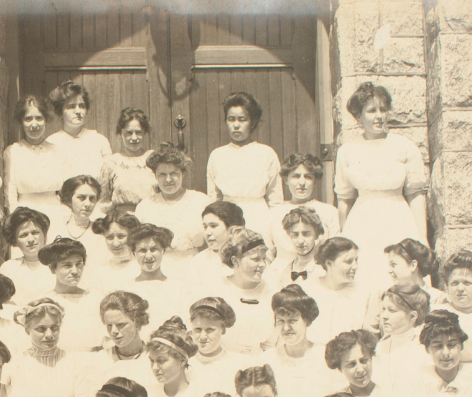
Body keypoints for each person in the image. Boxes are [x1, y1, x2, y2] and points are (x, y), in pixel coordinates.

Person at [335, 82, 428, 290]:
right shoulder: (348, 151)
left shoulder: (404, 146)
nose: (378, 116)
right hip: (362, 222)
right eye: (371, 110)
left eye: (383, 109)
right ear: (359, 117)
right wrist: (343, 237)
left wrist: (422, 237)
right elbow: (344, 198)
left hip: (398, 218)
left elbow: (415, 194)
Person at [206, 92, 284, 240]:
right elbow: (214, 197)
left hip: (259, 217)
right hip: (227, 219)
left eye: (242, 120)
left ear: (253, 122)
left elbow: (275, 199)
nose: (236, 125)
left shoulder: (266, 153)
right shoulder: (217, 155)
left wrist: (275, 230)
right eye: (231, 119)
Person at [135, 142, 211, 280]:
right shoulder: (145, 206)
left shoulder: (201, 201)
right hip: (157, 271)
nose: (168, 179)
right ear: (155, 176)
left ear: (183, 173)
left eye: (174, 173)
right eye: (162, 174)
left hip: (195, 268)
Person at [197, 226, 274, 355]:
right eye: (255, 259)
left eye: (263, 258)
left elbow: (271, 341)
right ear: (235, 260)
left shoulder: (270, 289)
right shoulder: (215, 288)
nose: (262, 264)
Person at [4, 95, 67, 231]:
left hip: (55, 214)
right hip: (24, 215)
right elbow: (10, 191)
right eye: (28, 119)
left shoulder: (58, 151)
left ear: (46, 120)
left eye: (39, 118)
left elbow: (66, 190)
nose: (34, 124)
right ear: (21, 121)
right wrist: (16, 219)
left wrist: (66, 216)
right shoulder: (13, 151)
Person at [0, 298, 87, 397]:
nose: (49, 334)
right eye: (41, 329)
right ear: (27, 330)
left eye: (54, 327)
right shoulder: (14, 366)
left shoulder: (75, 364)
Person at [259, 284, 335, 397]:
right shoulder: (267, 359)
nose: (286, 328)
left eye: (292, 321)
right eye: (280, 321)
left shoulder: (326, 356)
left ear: (307, 321)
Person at [267, 153, 339, 261]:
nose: (302, 182)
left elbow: (335, 251)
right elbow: (268, 252)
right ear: (286, 180)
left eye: (308, 177)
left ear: (315, 180)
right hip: (281, 272)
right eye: (296, 176)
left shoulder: (329, 212)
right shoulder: (274, 213)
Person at [303, 237, 373, 345]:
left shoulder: (362, 293)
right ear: (329, 263)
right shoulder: (306, 289)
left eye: (356, 260)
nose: (355, 266)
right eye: (348, 261)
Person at [38, 237, 103, 351]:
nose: (75, 271)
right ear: (53, 269)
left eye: (79, 264)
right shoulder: (45, 301)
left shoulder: (95, 297)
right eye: (67, 265)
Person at [86, 291, 155, 396]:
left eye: (121, 324)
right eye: (109, 325)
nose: (114, 331)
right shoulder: (100, 360)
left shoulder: (154, 358)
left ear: (138, 322)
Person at [127, 224, 186, 331]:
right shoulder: (127, 289)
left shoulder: (180, 288)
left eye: (154, 249)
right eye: (142, 250)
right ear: (133, 253)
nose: (149, 256)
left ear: (163, 250)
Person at [47, 80, 112, 179]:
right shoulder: (52, 143)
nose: (78, 111)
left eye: (82, 106)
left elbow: (108, 178)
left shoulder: (99, 140)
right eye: (71, 107)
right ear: (60, 112)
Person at [98, 108, 157, 215]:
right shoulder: (111, 164)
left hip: (151, 217)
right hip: (122, 220)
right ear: (120, 133)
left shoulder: (154, 159)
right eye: (128, 133)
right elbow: (103, 202)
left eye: (138, 132)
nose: (134, 138)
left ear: (144, 132)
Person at [374, 285, 431, 393]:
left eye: (392, 310)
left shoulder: (423, 349)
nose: (384, 316)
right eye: (383, 309)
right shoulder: (380, 347)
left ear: (412, 316)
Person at [187, 297, 247, 397]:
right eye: (197, 329)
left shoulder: (240, 364)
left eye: (210, 330)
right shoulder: (185, 365)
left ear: (222, 329)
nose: (202, 336)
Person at [0, 207, 54, 306]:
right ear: (15, 241)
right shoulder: (8, 268)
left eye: (35, 232)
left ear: (44, 234)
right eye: (23, 235)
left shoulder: (58, 265)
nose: (31, 239)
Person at [413, 310, 472, 397]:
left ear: (461, 346)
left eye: (451, 345)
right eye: (438, 346)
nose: (445, 353)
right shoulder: (418, 382)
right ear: (427, 349)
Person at [264, 207, 325, 290]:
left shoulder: (324, 268)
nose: (300, 241)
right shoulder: (285, 271)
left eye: (306, 234)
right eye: (295, 235)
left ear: (316, 235)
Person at [55, 175, 108, 270]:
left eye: (92, 199)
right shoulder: (56, 232)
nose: (87, 204)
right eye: (81, 198)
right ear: (69, 199)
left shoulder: (101, 233)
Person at [187, 201, 245, 287]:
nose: (207, 232)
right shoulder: (199, 261)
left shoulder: (249, 257)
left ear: (233, 228)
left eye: (213, 226)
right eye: (205, 227)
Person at [432, 250, 472, 362]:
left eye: (467, 283)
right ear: (447, 286)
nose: (460, 289)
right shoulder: (438, 313)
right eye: (454, 283)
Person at [146, 316, 199, 397]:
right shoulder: (148, 394)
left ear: (182, 361)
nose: (154, 367)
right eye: (152, 361)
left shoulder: (199, 393)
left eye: (161, 360)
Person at [92, 211, 141, 293]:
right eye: (110, 237)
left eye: (121, 236)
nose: (115, 243)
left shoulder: (142, 266)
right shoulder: (102, 271)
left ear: (132, 235)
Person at [325, 329, 382, 397]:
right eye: (351, 364)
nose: (360, 370)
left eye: (363, 361)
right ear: (340, 368)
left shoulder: (389, 392)